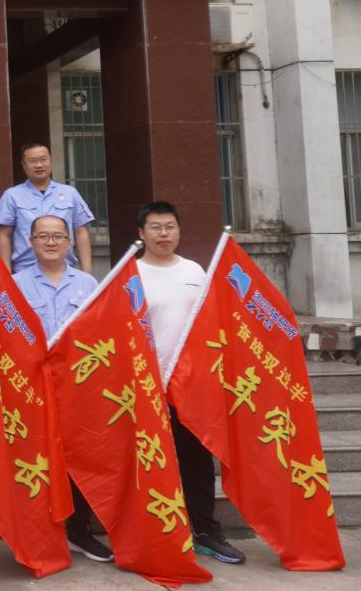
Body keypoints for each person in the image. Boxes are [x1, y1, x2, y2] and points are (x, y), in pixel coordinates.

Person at [137, 201, 246, 565]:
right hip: (149, 386)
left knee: (197, 462)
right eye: (155, 227)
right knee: (152, 462)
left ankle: (204, 531)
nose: (163, 234)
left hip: (193, 386)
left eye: (169, 227)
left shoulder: (196, 271)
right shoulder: (131, 275)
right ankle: (156, 534)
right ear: (141, 234)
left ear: (179, 231)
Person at [11, 216, 109, 562]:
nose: (50, 242)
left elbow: (99, 333)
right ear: (31, 242)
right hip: (31, 387)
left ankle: (79, 530)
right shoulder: (15, 285)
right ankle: (39, 532)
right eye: (43, 236)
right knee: (35, 458)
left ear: (69, 242)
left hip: (76, 387)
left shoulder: (87, 283)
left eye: (57, 236)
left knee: (76, 457)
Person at [0, 142, 95, 274]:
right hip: (25, 271)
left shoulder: (70, 193)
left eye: (43, 160)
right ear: (24, 165)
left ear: (51, 161)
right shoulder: (11, 196)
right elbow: (4, 235)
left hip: (65, 270)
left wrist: (87, 272)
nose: (39, 165)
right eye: (33, 161)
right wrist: (5, 274)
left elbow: (81, 232)